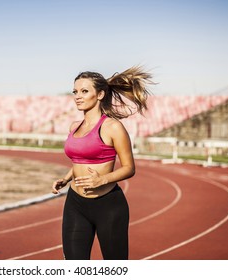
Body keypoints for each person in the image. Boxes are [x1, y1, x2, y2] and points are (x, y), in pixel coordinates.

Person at [52, 66, 153, 260]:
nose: (77, 96)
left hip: (108, 206)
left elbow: (129, 168)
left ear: (100, 94)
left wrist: (102, 180)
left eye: (84, 91)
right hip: (75, 203)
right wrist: (65, 179)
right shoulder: (75, 126)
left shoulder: (113, 127)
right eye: (75, 91)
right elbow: (81, 160)